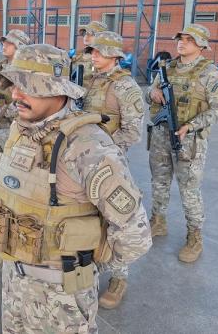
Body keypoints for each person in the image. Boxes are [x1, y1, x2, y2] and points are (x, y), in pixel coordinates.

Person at [0, 43, 152, 333]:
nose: (15, 94)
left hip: (61, 297)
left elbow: (135, 235)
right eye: (14, 84)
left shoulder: (88, 145)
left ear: (58, 89)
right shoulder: (20, 128)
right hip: (13, 279)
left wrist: (87, 265)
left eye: (28, 86)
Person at [147, 24, 218, 263]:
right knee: (159, 182)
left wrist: (189, 126)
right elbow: (148, 93)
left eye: (189, 40)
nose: (181, 43)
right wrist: (152, 94)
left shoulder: (211, 74)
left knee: (189, 190)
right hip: (161, 136)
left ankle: (195, 236)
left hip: (190, 141)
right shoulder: (167, 68)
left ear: (202, 45)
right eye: (180, 38)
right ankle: (158, 221)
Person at [81, 30, 144, 309]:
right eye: (92, 50)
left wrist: (102, 148)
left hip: (111, 163)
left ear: (115, 56)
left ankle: (120, 276)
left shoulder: (126, 87)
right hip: (84, 162)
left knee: (116, 218)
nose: (93, 54)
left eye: (99, 51)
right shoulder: (91, 80)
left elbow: (132, 133)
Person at [0, 29, 31, 169]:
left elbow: (26, 100)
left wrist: (2, 111)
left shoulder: (26, 71)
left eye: (9, 43)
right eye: (4, 42)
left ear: (20, 46)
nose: (4, 46)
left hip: (18, 125)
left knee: (14, 167)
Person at [71, 20, 108, 88]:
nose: (86, 37)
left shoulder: (106, 58)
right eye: (85, 34)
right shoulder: (78, 55)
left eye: (91, 34)